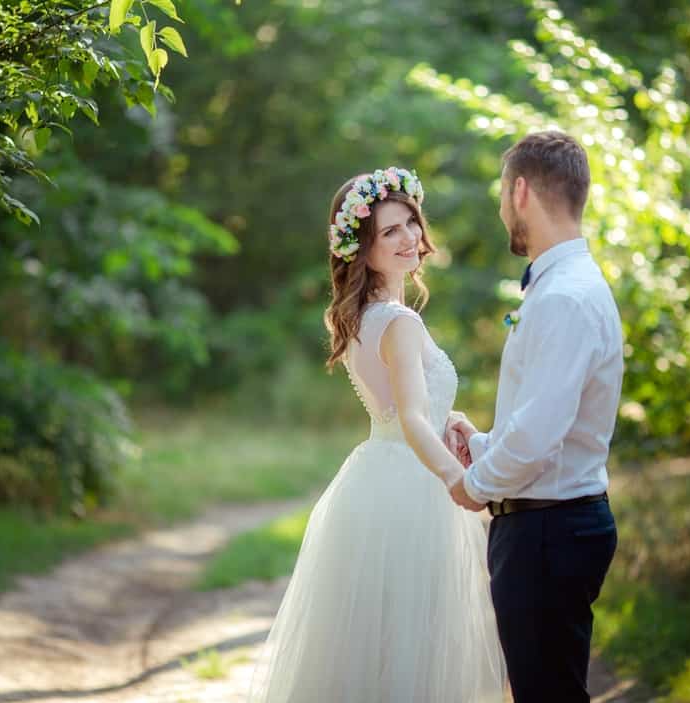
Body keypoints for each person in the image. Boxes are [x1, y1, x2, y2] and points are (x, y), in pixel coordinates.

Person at [246, 167, 505, 702]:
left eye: (410, 223)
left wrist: (447, 419)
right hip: (414, 489)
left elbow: (400, 410)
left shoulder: (360, 317)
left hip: (373, 482)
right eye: (390, 231)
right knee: (413, 643)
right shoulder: (400, 323)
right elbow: (410, 417)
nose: (410, 236)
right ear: (361, 249)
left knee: (373, 646)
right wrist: (460, 479)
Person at [447, 131, 623, 703]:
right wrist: (484, 440)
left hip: (548, 530)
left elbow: (540, 439)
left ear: (521, 191)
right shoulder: (564, 287)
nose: (502, 210)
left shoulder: (564, 298)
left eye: (502, 195)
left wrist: (474, 484)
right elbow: (545, 418)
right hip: (550, 523)